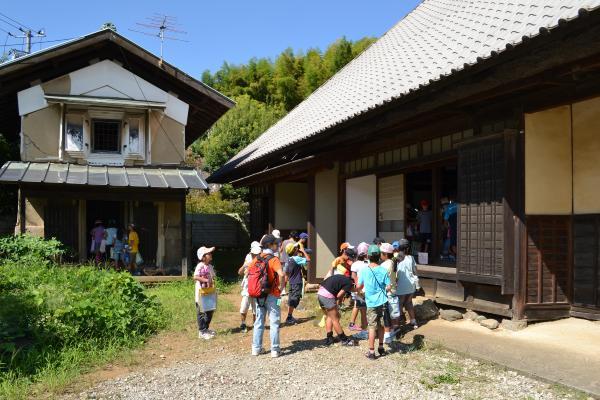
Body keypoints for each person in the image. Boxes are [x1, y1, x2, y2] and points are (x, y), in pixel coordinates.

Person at [251, 234, 285, 358]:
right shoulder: (274, 259)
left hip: (258, 294)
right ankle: (275, 350)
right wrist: (281, 288)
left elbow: (248, 272)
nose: (278, 245)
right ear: (270, 245)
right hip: (273, 295)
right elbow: (281, 274)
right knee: (274, 322)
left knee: (259, 322)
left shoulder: (256, 259)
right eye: (276, 243)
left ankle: (256, 349)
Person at [357, 244, 391, 360]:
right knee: (381, 325)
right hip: (382, 302)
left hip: (371, 302)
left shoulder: (364, 271)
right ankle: (381, 348)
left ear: (368, 256)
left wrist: (359, 290)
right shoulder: (383, 270)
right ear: (379, 256)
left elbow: (359, 286)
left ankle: (371, 352)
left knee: (372, 326)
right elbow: (388, 287)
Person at [317, 273, 356, 346]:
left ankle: (329, 338)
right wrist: (338, 303)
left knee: (330, 316)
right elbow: (339, 295)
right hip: (327, 295)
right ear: (353, 284)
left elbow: (338, 294)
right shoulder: (349, 283)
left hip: (320, 293)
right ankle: (344, 340)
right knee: (335, 318)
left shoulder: (343, 278)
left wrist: (338, 304)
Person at [194, 246, 217, 340]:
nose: (211, 254)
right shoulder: (200, 265)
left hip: (209, 292)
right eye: (208, 253)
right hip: (201, 293)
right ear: (203, 257)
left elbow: (213, 277)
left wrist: (212, 282)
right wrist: (206, 280)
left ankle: (206, 329)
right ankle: (202, 331)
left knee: (210, 310)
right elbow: (195, 277)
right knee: (201, 312)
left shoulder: (210, 266)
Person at [395, 239, 420, 329]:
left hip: (401, 284)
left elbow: (395, 272)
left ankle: (397, 324)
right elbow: (415, 271)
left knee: (399, 304)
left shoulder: (396, 258)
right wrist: (417, 283)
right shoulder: (411, 258)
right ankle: (413, 321)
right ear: (407, 248)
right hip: (411, 284)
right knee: (409, 303)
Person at [284, 241, 309, 325]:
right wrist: (303, 251)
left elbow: (286, 273)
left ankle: (289, 316)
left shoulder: (289, 259)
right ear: (294, 250)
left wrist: (284, 284)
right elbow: (308, 260)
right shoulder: (297, 258)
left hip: (291, 282)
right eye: (296, 248)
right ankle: (289, 317)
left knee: (292, 299)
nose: (297, 249)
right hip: (297, 282)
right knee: (295, 299)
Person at [238, 241, 261, 333]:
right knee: (244, 307)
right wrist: (245, 267)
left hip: (257, 287)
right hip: (247, 287)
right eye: (254, 253)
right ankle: (243, 323)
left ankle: (255, 324)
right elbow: (239, 272)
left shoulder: (261, 259)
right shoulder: (248, 258)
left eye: (258, 253)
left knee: (256, 308)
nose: (256, 255)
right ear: (251, 252)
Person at [380, 242, 400, 344]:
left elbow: (381, 280)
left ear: (385, 254)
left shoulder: (384, 265)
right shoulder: (394, 262)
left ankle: (387, 335)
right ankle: (394, 333)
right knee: (394, 314)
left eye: (381, 253)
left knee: (386, 314)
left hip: (386, 291)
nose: (380, 255)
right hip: (394, 291)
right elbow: (397, 278)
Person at [349, 242, 369, 335]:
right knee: (364, 310)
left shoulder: (355, 264)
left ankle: (364, 331)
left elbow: (353, 276)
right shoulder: (369, 263)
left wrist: (358, 287)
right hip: (368, 290)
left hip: (359, 290)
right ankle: (364, 330)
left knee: (361, 309)